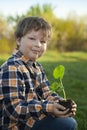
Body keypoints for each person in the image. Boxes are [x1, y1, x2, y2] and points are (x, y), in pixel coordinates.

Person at [0, 16, 77, 130]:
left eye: (43, 41)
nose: (38, 45)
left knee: (69, 121)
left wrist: (60, 103)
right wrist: (49, 108)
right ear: (18, 40)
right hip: (17, 125)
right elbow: (15, 110)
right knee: (68, 124)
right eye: (32, 38)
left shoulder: (37, 67)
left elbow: (47, 93)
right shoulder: (12, 67)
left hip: (33, 118)